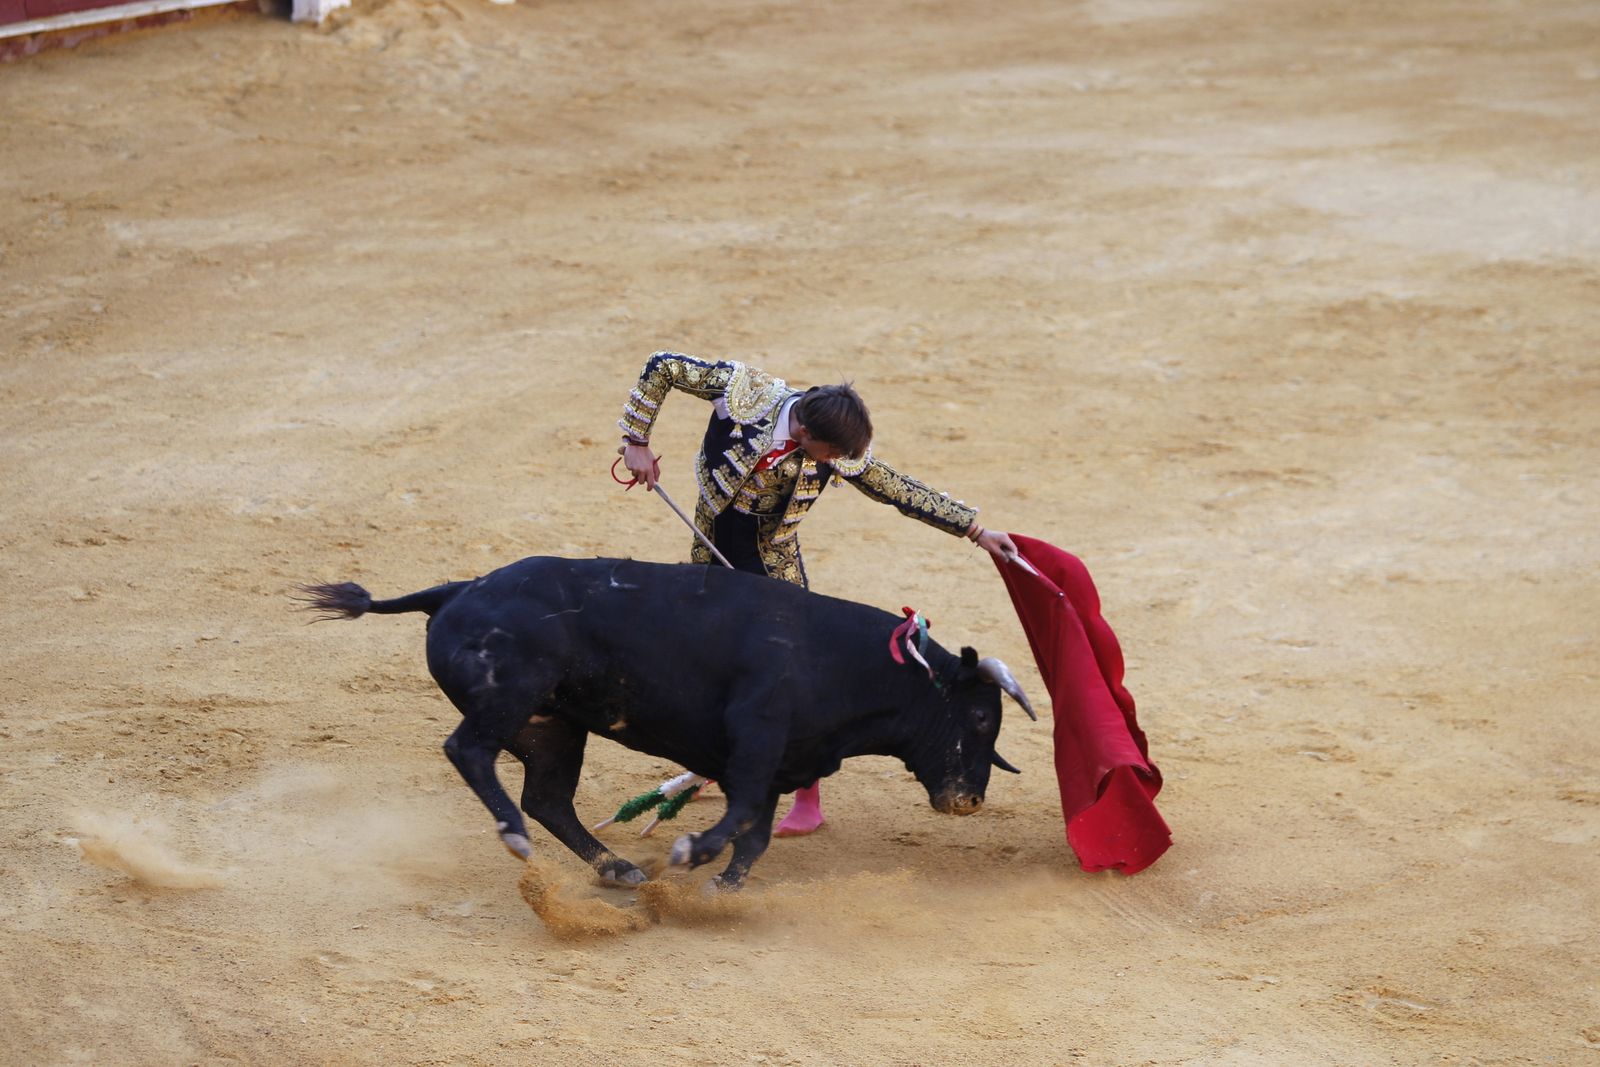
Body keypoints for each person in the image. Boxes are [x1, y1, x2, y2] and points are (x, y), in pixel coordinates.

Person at [618, 351, 1018, 835]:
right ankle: (714, 761)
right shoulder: (743, 392)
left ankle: (808, 802)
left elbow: (895, 487)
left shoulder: (835, 450)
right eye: (829, 453)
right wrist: (636, 441)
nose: (835, 463)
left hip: (772, 559)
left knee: (797, 674)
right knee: (707, 660)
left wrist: (974, 530)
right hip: (711, 546)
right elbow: (663, 365)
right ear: (806, 432)